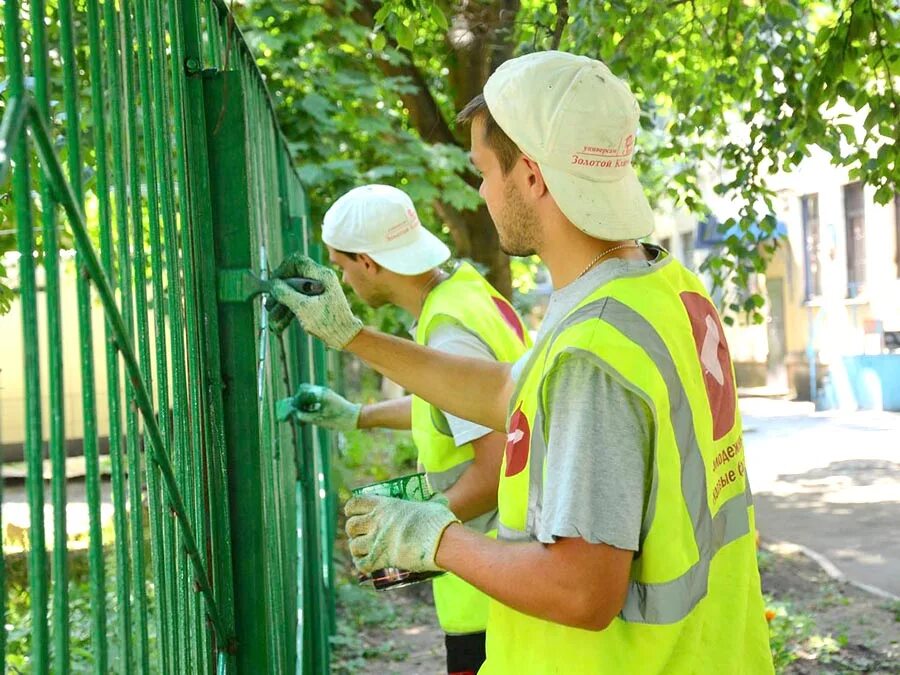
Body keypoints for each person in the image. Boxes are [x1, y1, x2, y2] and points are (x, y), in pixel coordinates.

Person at [269, 51, 774, 673]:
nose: (479, 191)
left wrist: (436, 538)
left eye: (483, 171)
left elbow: (581, 590)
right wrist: (353, 338)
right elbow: (512, 392)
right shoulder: (665, 288)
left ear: (532, 175)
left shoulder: (593, 349)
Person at [276, 184, 530, 675]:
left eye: (342, 266)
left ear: (368, 263)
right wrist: (359, 415)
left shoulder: (449, 330)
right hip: (503, 572)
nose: (345, 282)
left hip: (490, 590)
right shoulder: (465, 291)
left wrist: (412, 527)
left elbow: (496, 465)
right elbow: (460, 407)